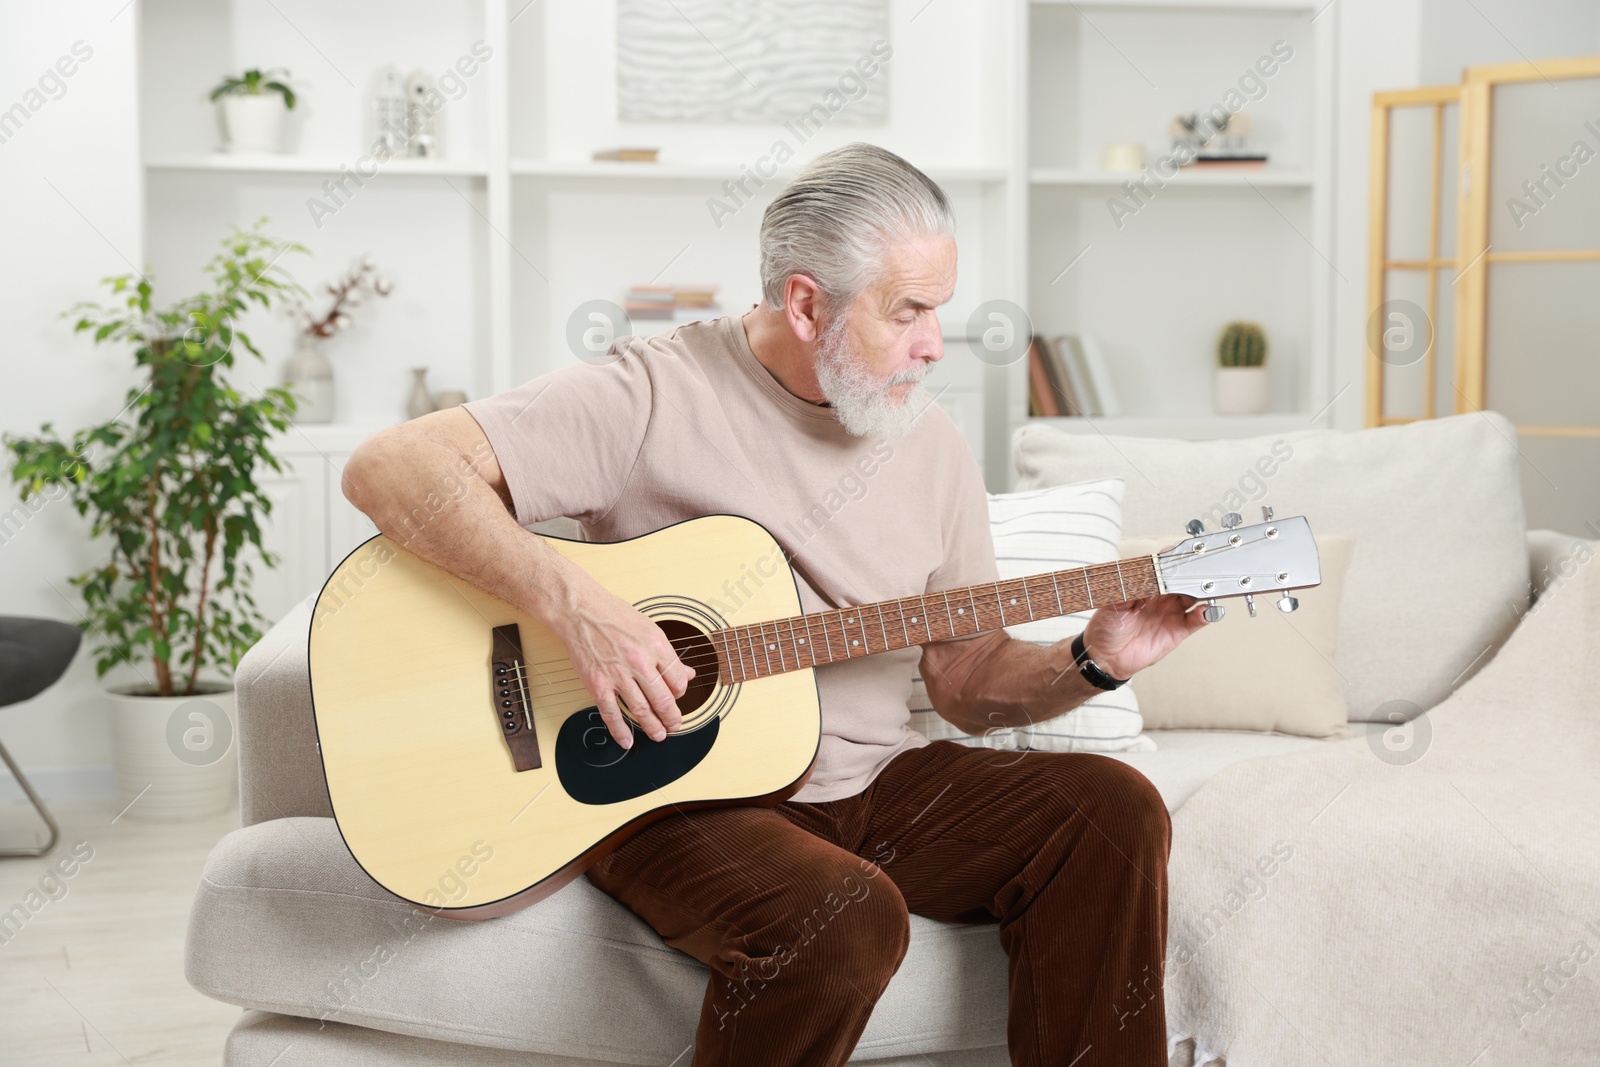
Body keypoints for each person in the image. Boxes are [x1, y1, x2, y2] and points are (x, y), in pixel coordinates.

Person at [343, 141, 1207, 1067]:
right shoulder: (653, 392)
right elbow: (390, 469)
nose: (934, 344)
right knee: (845, 920)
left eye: (939, 310)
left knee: (1112, 810)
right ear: (805, 303)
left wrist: (1093, 658)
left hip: (873, 786)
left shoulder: (930, 438)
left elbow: (965, 676)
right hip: (669, 792)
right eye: (908, 311)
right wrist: (578, 606)